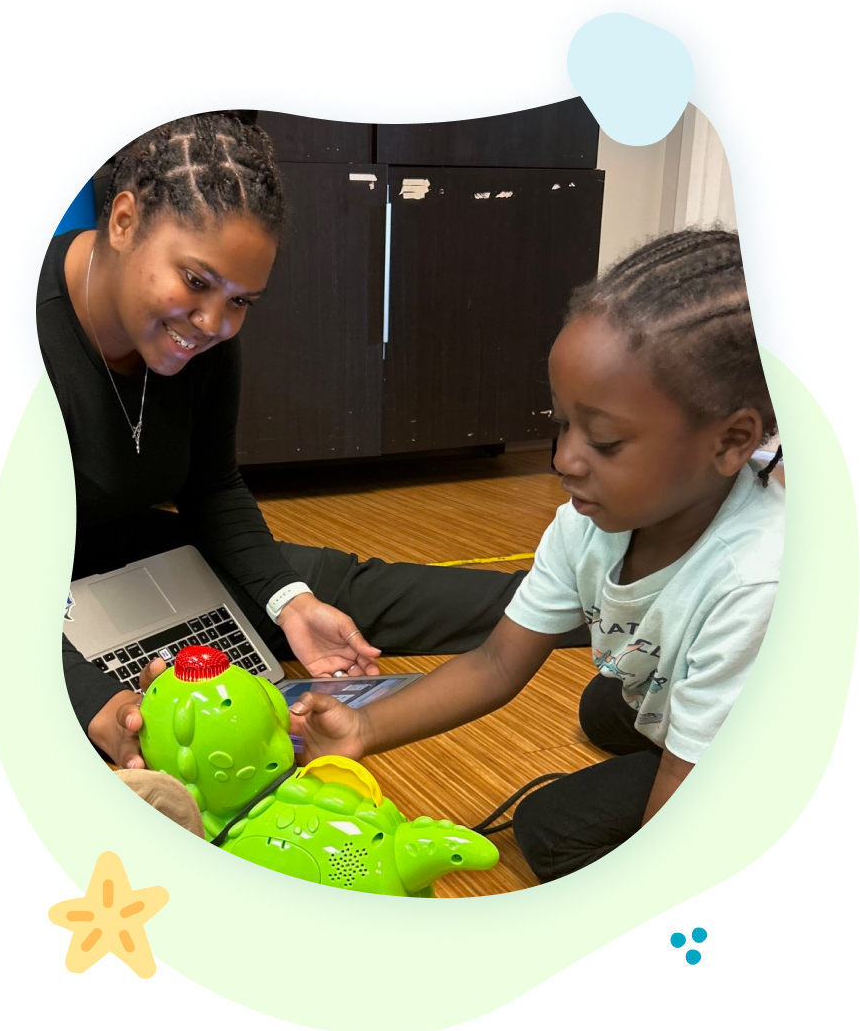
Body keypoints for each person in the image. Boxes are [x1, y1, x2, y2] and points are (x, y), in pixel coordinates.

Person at [38, 109, 589, 773]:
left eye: (243, 301)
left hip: (132, 561)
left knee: (331, 596)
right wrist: (87, 697)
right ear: (122, 221)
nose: (215, 322)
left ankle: (619, 608)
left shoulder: (203, 339)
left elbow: (211, 485)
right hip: (22, 593)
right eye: (196, 281)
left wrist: (288, 600)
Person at [288, 229, 785, 883]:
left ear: (731, 441)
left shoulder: (755, 579)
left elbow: (678, 816)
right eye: (560, 424)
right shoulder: (586, 525)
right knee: (603, 703)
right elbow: (497, 661)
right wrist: (361, 728)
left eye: (604, 441)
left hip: (777, 737)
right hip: (693, 688)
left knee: (551, 832)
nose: (563, 460)